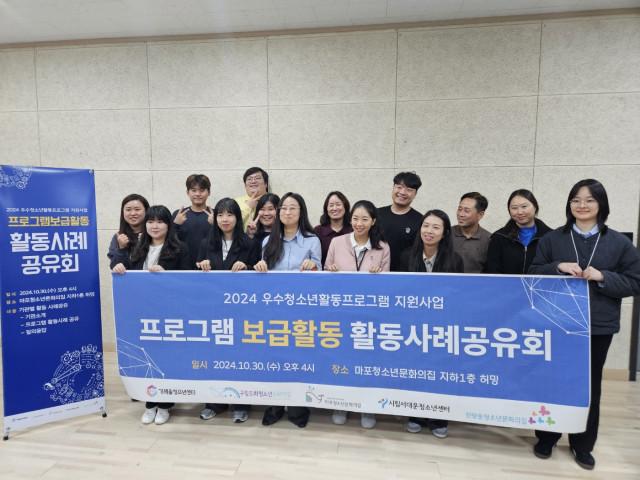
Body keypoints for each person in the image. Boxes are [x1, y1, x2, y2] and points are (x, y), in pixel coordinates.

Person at [529, 179, 640, 470]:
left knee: (589, 387)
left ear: (601, 204)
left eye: (590, 200)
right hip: (556, 323)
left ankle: (582, 444)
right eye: (576, 200)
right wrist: (557, 267)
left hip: (597, 325)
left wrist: (603, 277)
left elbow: (635, 281)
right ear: (569, 205)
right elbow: (533, 273)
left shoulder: (619, 242)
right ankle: (547, 436)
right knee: (552, 381)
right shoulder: (552, 239)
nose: (582, 205)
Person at [112, 205, 192, 425]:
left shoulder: (180, 248)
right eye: (150, 221)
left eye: (160, 221)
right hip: (143, 312)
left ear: (168, 225)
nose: (154, 226)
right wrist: (119, 266)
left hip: (169, 313)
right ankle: (150, 402)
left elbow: (188, 281)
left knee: (166, 358)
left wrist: (166, 275)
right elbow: (124, 268)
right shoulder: (138, 247)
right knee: (148, 356)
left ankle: (165, 404)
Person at [254, 192, 322, 428]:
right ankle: (274, 406)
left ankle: (297, 408)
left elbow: (320, 276)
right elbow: (263, 276)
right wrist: (260, 267)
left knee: (299, 360)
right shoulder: (267, 241)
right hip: (274, 312)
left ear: (301, 212)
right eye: (283, 208)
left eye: (292, 208)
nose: (287, 212)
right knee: (274, 359)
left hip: (302, 313)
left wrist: (313, 266)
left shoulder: (312, 241)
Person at [325, 200, 389, 429]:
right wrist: (330, 270)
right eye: (355, 218)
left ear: (373, 221)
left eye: (364, 219)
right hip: (341, 314)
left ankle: (367, 407)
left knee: (367, 363)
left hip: (369, 317)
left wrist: (379, 275)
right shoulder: (337, 242)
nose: (359, 223)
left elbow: (387, 285)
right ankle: (341, 404)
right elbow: (325, 274)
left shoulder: (382, 247)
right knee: (342, 361)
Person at [196, 198, 261, 424]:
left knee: (240, 359)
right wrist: (202, 265)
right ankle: (214, 403)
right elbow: (195, 272)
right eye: (221, 214)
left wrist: (248, 267)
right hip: (213, 312)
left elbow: (258, 275)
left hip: (241, 312)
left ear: (237, 218)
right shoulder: (206, 243)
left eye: (230, 214)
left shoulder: (250, 244)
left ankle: (241, 404)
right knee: (214, 359)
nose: (225, 219)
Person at [403, 209, 463, 439]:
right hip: (413, 327)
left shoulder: (455, 260)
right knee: (415, 371)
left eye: (436, 227)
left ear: (445, 232)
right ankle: (415, 415)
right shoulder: (406, 256)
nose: (429, 231)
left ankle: (438, 418)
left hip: (441, 327)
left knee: (440, 373)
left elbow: (457, 296)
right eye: (426, 226)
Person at [485, 189, 551, 274]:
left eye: (524, 206)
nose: (519, 212)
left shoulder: (550, 237)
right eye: (514, 208)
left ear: (535, 207)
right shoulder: (499, 237)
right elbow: (492, 270)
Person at [377, 172, 423, 271]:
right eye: (399, 187)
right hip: (377, 272)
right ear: (393, 188)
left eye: (409, 189)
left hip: (405, 274)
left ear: (415, 194)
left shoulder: (420, 220)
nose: (402, 192)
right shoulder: (377, 214)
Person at [172, 174, 213, 268]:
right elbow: (169, 241)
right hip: (182, 267)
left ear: (209, 192)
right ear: (187, 192)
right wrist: (175, 224)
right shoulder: (178, 215)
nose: (198, 194)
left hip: (209, 267)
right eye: (194, 190)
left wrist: (216, 225)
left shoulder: (216, 216)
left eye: (202, 190)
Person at [107, 193, 149, 269]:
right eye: (128, 210)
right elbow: (114, 266)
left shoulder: (153, 234)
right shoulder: (119, 237)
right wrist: (121, 248)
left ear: (146, 211)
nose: (133, 213)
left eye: (137, 209)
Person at [452, 192, 491, 273]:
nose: (461, 214)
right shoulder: (446, 234)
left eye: (466, 211)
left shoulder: (489, 240)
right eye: (459, 209)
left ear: (480, 215)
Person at [314, 191, 352, 267]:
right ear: (326, 209)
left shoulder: (352, 230)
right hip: (324, 273)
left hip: (348, 273)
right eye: (331, 205)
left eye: (338, 204)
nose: (334, 208)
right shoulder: (318, 231)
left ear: (345, 207)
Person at [235, 167, 269, 231]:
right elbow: (230, 223)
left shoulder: (274, 200)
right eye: (249, 179)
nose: (253, 181)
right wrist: (247, 206)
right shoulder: (235, 202)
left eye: (257, 178)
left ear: (266, 184)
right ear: (245, 185)